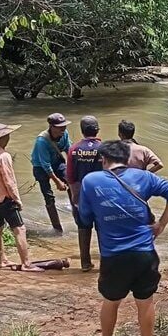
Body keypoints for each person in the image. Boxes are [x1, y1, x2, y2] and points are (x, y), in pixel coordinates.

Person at [77, 140, 168, 336]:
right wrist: (161, 224)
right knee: (145, 301)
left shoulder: (90, 181)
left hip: (113, 254)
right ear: (127, 158)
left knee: (110, 301)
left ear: (103, 160)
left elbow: (84, 218)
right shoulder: (143, 176)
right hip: (144, 251)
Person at [0, 122, 43, 272]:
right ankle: (26, 264)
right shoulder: (3, 155)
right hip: (4, 200)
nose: (9, 138)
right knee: (20, 229)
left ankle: (3, 260)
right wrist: (17, 199)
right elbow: (9, 181)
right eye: (7, 136)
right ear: (3, 137)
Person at [66, 116, 102, 271]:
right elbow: (110, 172)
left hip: (82, 195)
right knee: (103, 228)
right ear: (97, 130)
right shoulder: (104, 148)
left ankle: (85, 263)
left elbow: (70, 175)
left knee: (83, 227)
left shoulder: (73, 149)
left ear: (82, 131)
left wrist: (74, 196)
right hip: (101, 195)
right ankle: (106, 262)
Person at [31, 112, 71, 232]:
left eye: (64, 127)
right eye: (60, 128)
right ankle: (57, 229)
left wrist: (73, 170)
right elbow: (45, 165)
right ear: (52, 127)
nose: (63, 130)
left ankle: (78, 216)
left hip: (57, 161)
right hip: (41, 167)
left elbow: (69, 149)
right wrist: (58, 182)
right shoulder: (41, 141)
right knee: (49, 196)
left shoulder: (65, 134)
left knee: (72, 183)